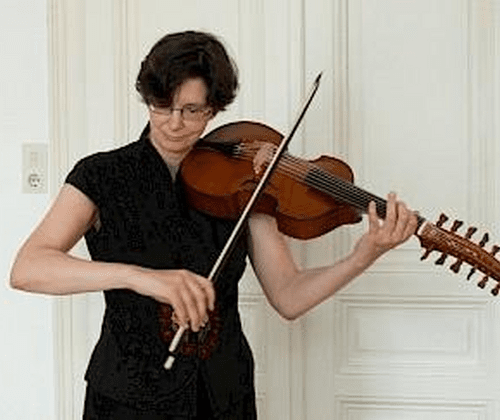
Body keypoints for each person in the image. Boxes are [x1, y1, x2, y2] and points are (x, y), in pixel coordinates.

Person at [10, 30, 418, 419]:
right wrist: (139, 277)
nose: (174, 122)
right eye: (161, 105)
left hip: (222, 395)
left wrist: (361, 257)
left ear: (215, 108)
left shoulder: (245, 183)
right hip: (127, 398)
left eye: (192, 110)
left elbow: (289, 296)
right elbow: (28, 268)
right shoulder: (101, 174)